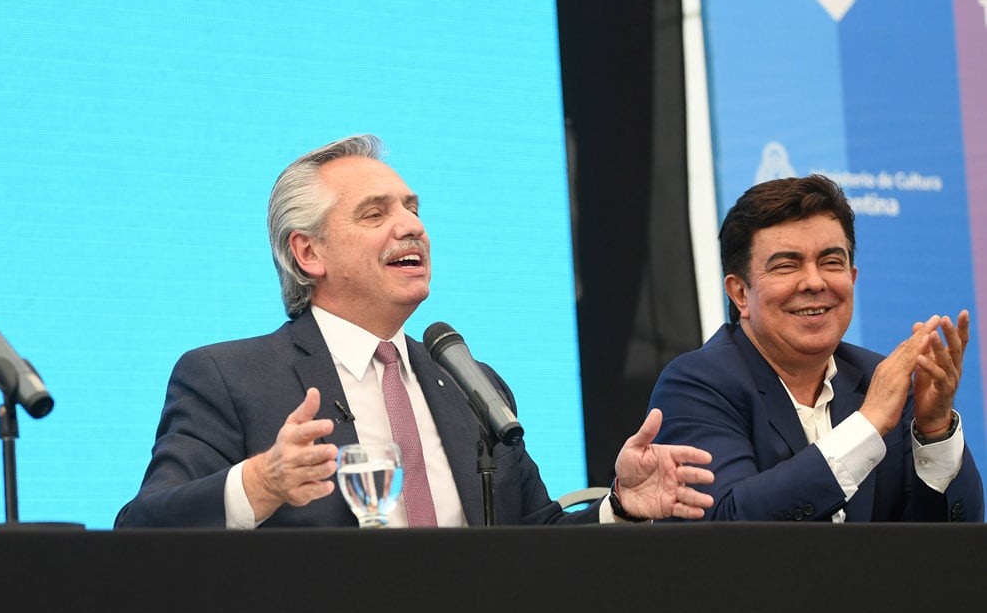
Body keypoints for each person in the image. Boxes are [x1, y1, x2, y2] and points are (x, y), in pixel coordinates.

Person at [116, 134, 714, 528]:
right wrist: (259, 483)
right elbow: (141, 528)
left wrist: (621, 509)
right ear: (308, 254)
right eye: (375, 214)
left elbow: (538, 539)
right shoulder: (229, 378)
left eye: (413, 209)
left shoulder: (474, 386)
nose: (411, 227)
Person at [647, 174, 983, 521]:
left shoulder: (878, 379)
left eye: (831, 262)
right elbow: (726, 526)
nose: (814, 281)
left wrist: (934, 431)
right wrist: (867, 426)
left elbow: (952, 546)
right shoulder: (696, 385)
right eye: (786, 265)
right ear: (740, 294)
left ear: (851, 279)